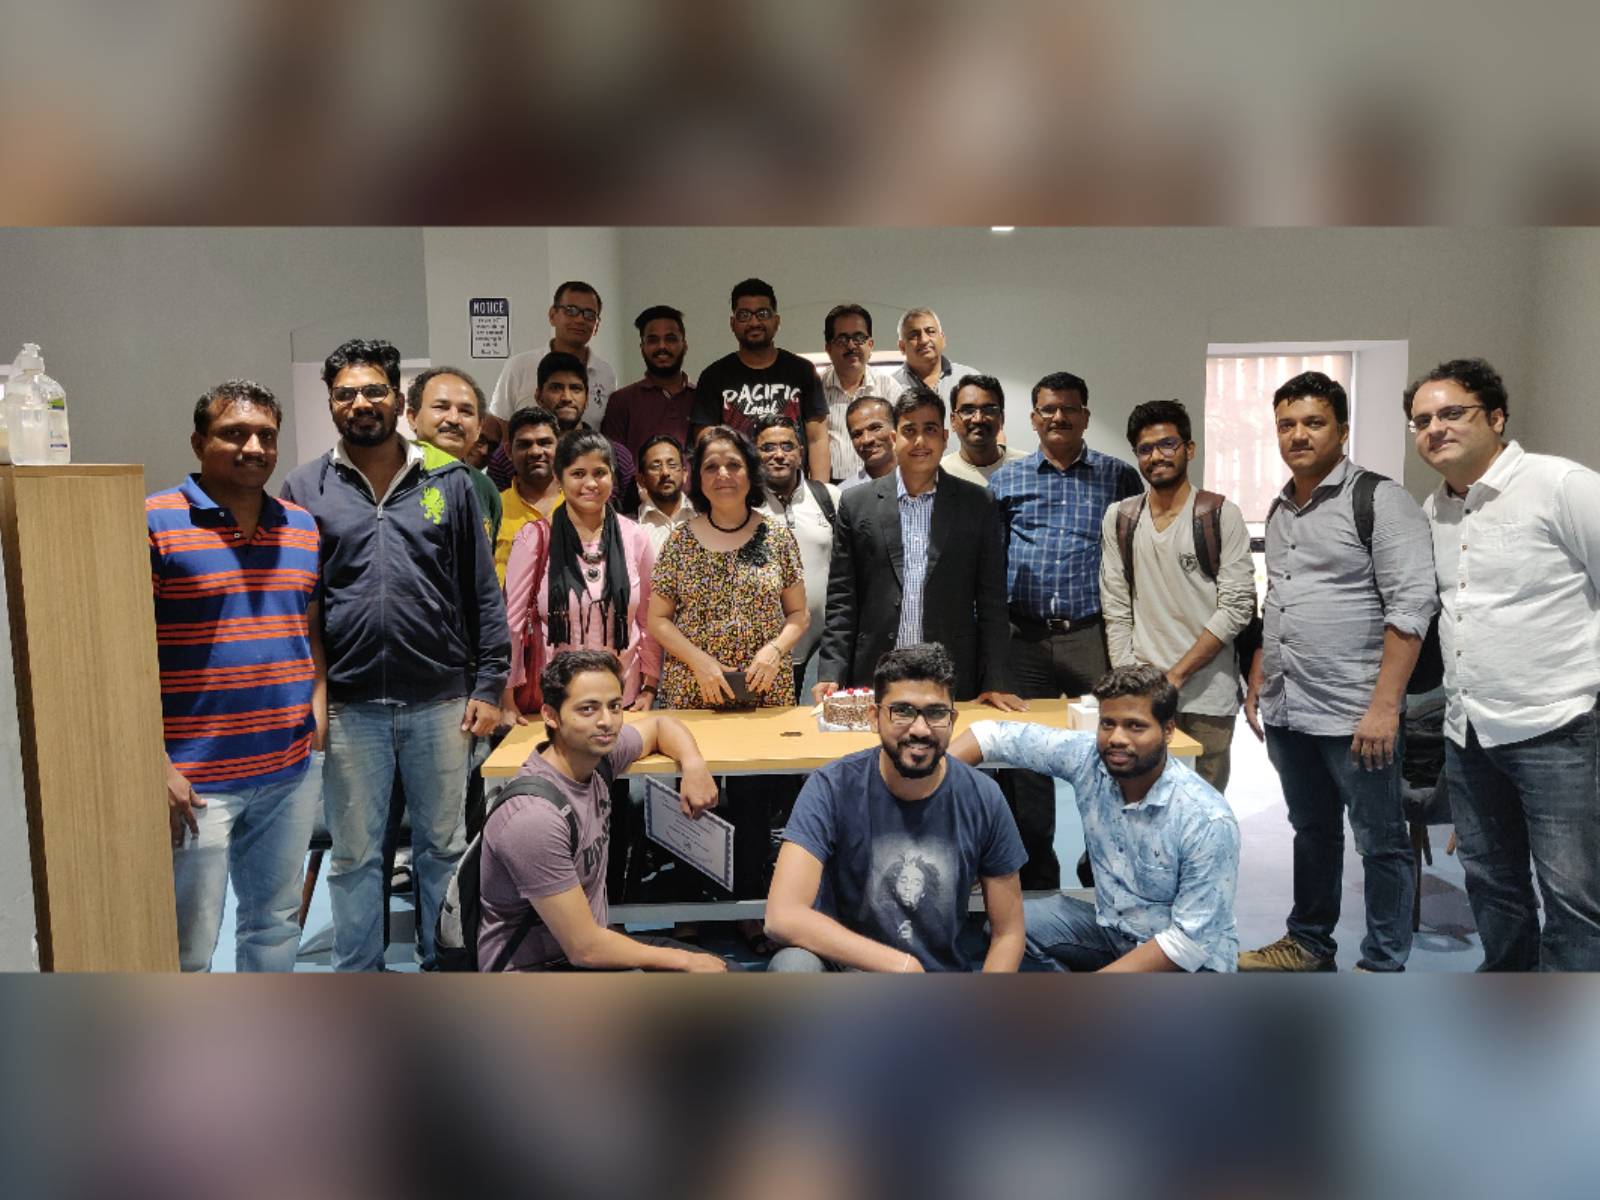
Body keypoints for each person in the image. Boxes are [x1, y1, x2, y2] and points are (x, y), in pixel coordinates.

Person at [280, 338, 509, 971]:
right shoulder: (305, 487)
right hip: (351, 707)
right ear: (331, 404)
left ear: (397, 400)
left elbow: (481, 592)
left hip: (442, 701)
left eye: (374, 390)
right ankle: (360, 974)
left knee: (443, 848)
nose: (361, 403)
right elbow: (298, 604)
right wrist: (311, 696)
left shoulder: (450, 482)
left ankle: (445, 967)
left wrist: (489, 685)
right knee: (356, 856)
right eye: (345, 393)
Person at [1238, 371, 1437, 973]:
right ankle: (1308, 943)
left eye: (1313, 422)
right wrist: (1259, 673)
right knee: (1312, 830)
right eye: (1286, 424)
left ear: (1342, 430)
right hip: (1290, 706)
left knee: (1381, 842)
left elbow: (1411, 608)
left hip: (1356, 713)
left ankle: (1382, 963)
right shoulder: (1280, 507)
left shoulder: (1379, 500)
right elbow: (1279, 598)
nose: (1298, 435)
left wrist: (1384, 707)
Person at [1406, 357, 1600, 971]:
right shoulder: (1433, 511)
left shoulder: (1562, 486)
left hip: (1560, 730)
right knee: (1492, 883)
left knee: (1574, 899)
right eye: (1421, 421)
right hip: (1470, 733)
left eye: (1451, 413)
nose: (1434, 428)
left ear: (1496, 417)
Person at [149, 380, 322, 971]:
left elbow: (307, 628)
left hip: (288, 769)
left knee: (274, 925)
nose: (253, 447)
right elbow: (123, 657)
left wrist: (315, 714)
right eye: (234, 433)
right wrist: (156, 764)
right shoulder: (155, 522)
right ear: (199, 442)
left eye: (266, 436)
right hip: (195, 780)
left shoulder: (301, 526)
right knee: (189, 947)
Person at [951, 665, 1240, 972]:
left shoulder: (1206, 819)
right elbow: (992, 735)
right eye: (1107, 724)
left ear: (1167, 731)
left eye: (1135, 726)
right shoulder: (1088, 758)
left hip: (1188, 961)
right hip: (1112, 932)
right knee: (1012, 927)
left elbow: (1188, 944)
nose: (1117, 738)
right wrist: (929, 783)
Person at [766, 643, 1028, 972]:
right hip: (849, 977)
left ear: (952, 719)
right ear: (874, 717)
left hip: (937, 987)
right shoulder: (831, 787)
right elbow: (783, 915)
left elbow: (1009, 933)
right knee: (793, 966)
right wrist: (901, 965)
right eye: (902, 711)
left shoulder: (983, 797)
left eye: (936, 713)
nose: (920, 729)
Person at [478, 649, 731, 971]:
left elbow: (660, 725)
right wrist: (687, 961)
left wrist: (693, 764)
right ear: (551, 716)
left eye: (614, 706)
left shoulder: (596, 759)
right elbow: (585, 949)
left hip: (587, 949)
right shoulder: (533, 819)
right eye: (587, 709)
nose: (606, 721)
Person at [989, 371, 1143, 889]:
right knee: (1027, 761)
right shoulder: (1006, 481)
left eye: (1069, 409)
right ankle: (1037, 876)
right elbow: (991, 563)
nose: (1058, 417)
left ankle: (1101, 870)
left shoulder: (1118, 478)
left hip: (1090, 636)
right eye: (1048, 410)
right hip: (1024, 639)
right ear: (1033, 419)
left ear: (1085, 416)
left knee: (1109, 751)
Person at [647, 426, 809, 903]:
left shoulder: (777, 536)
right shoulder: (679, 541)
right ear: (697, 477)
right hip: (694, 694)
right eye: (711, 466)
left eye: (734, 464)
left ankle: (747, 907)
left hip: (763, 694)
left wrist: (774, 650)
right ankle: (693, 907)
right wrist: (700, 662)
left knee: (755, 804)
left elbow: (799, 615)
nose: (723, 474)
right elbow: (657, 619)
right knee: (694, 799)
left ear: (750, 472)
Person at [815, 387, 1022, 710]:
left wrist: (996, 679)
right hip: (875, 671)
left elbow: (992, 602)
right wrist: (831, 671)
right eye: (909, 430)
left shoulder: (977, 503)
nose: (920, 441)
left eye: (930, 430)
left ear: (945, 436)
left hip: (951, 672)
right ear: (894, 437)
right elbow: (842, 599)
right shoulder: (857, 504)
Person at [1100, 399, 1256, 790]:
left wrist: (1175, 677)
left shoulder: (1219, 514)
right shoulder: (1121, 518)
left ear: (1189, 448)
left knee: (1202, 804)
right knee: (1139, 799)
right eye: (1145, 449)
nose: (1157, 456)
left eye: (1167, 444)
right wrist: (1131, 680)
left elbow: (1237, 607)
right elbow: (1116, 606)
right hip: (1143, 697)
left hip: (1208, 697)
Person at [504, 429, 661, 719]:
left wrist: (650, 686)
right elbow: (512, 622)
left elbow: (649, 619)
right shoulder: (535, 538)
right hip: (557, 705)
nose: (590, 483)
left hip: (623, 699)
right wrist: (507, 698)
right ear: (559, 478)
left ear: (612, 476)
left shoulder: (635, 536)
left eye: (600, 472)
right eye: (578, 473)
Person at [689, 277, 829, 480]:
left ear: (776, 321)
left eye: (762, 314)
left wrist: (821, 490)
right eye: (744, 315)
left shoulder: (802, 371)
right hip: (737, 487)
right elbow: (706, 443)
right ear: (732, 323)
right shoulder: (713, 376)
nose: (754, 323)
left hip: (793, 486)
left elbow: (817, 438)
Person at [752, 414, 840, 696]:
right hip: (764, 654)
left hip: (823, 651)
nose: (779, 455)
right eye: (768, 448)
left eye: (787, 446)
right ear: (754, 454)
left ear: (801, 453)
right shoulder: (745, 507)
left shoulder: (830, 498)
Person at [489, 280, 617, 431]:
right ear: (552, 315)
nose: (580, 319)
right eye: (571, 310)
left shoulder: (606, 373)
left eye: (589, 314)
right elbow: (500, 423)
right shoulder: (519, 366)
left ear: (597, 325)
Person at [405, 366, 501, 547]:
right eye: (441, 407)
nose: (454, 419)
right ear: (413, 417)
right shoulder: (389, 476)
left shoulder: (485, 488)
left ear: (479, 427)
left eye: (466, 411)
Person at [601, 304, 697, 470]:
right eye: (653, 340)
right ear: (642, 348)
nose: (662, 347)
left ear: (685, 345)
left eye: (670, 339)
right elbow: (613, 466)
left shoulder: (703, 398)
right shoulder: (622, 401)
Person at [818, 303, 902, 483]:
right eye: (842, 339)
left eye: (858, 338)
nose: (851, 346)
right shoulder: (816, 389)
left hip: (884, 484)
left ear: (870, 345)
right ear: (828, 349)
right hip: (833, 487)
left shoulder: (889, 387)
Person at [536, 350, 635, 502]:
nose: (566, 397)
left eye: (575, 388)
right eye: (556, 388)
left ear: (587, 398)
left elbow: (630, 513)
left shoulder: (617, 456)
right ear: (539, 396)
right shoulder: (518, 455)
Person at [495, 404, 563, 584]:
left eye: (544, 443)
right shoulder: (493, 508)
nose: (535, 452)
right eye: (524, 444)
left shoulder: (581, 505)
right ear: (508, 451)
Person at [942, 374, 1024, 486]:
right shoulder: (937, 474)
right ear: (953, 421)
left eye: (989, 410)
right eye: (968, 410)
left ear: (1002, 418)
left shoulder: (1027, 467)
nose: (978, 419)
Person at [890, 307, 979, 401]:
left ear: (943, 339)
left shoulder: (971, 379)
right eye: (914, 335)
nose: (924, 340)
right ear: (902, 347)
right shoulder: (891, 387)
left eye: (931, 331)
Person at [634, 433, 696, 556]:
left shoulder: (705, 516)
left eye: (672, 465)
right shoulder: (630, 526)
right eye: (655, 466)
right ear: (641, 479)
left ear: (684, 474)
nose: (665, 472)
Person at [837, 395, 898, 493]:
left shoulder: (921, 481)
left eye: (875, 428)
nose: (866, 439)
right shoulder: (844, 494)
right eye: (857, 434)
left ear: (896, 428)